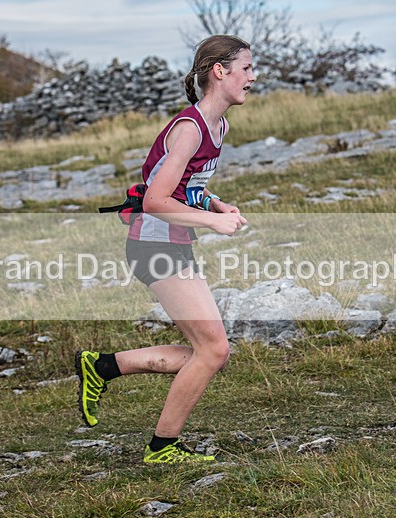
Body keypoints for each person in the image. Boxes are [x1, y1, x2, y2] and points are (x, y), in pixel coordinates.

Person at [76, 35, 255, 464]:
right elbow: (156, 200)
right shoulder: (190, 129)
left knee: (208, 354)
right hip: (152, 244)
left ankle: (102, 367)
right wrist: (214, 222)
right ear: (220, 71)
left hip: (171, 241)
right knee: (213, 351)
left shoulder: (217, 125)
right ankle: (162, 447)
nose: (253, 77)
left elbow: (184, 184)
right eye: (246, 68)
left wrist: (213, 202)